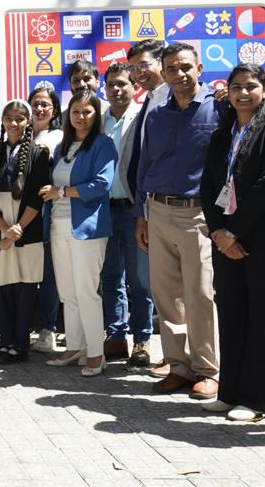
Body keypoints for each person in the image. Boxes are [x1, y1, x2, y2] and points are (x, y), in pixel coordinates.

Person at [199, 64, 265, 422]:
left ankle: (258, 401)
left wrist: (233, 231)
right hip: (224, 237)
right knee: (232, 311)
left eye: (250, 86)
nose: (242, 93)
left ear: (264, 89)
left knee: (261, 316)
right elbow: (207, 185)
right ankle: (230, 392)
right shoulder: (222, 133)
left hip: (263, 235)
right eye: (235, 86)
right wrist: (218, 231)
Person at [134, 42, 223, 400]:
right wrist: (141, 214)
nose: (179, 75)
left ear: (199, 68)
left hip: (197, 213)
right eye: (172, 69)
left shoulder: (219, 109)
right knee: (167, 294)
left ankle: (208, 370)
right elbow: (145, 166)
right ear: (164, 74)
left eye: (185, 67)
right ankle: (178, 366)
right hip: (157, 211)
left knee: (200, 294)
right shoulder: (157, 114)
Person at [40, 90, 117, 377]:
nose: (80, 117)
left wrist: (60, 192)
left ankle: (97, 354)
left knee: (86, 291)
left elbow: (101, 184)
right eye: (75, 112)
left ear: (97, 115)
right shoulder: (64, 145)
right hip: (59, 225)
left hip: (88, 228)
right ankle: (75, 346)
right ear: (67, 115)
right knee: (67, 291)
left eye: (87, 112)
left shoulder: (103, 144)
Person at [0, 100, 50, 364]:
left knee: (24, 288)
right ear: (2, 121)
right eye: (9, 118)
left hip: (26, 232)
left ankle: (20, 345)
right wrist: (3, 229)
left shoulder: (37, 154)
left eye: (20, 118)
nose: (14, 123)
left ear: (28, 121)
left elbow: (37, 197)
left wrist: (17, 228)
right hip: (1, 230)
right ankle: (5, 342)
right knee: (4, 288)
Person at [98, 63, 153, 364]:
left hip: (134, 209)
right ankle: (115, 335)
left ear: (135, 87)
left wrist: (142, 205)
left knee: (139, 277)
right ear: (104, 89)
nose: (117, 90)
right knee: (110, 275)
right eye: (111, 85)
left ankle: (142, 340)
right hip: (104, 209)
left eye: (123, 84)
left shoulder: (142, 117)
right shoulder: (99, 121)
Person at [117, 39, 166, 370]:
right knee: (158, 284)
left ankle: (193, 362)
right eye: (134, 67)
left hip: (175, 209)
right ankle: (176, 360)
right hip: (146, 208)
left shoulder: (174, 100)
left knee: (168, 287)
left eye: (144, 65)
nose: (138, 73)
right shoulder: (149, 101)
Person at [27, 86, 63, 354]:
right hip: (22, 214)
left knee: (49, 275)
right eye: (35, 104)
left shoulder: (59, 137)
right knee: (28, 273)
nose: (39, 109)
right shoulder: (18, 134)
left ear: (54, 110)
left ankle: (48, 329)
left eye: (45, 105)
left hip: (48, 212)